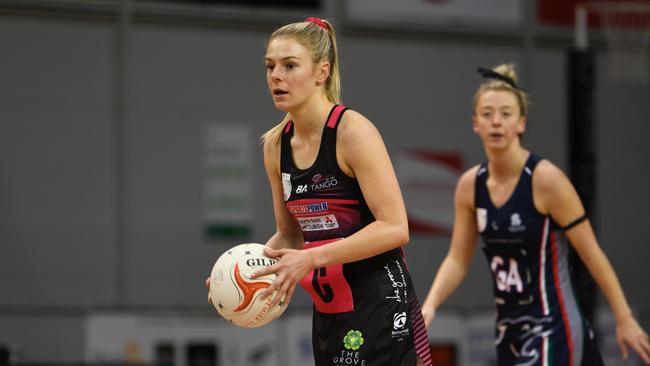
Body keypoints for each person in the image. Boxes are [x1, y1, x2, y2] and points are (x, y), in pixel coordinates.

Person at [206, 17, 432, 366]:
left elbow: (395, 227)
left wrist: (312, 258)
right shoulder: (274, 146)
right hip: (328, 312)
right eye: (270, 66)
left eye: (289, 65)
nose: (275, 76)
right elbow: (290, 235)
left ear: (321, 71)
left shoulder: (352, 132)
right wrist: (239, 274)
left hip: (381, 303)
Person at [420, 63, 650, 365]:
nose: (496, 122)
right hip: (509, 330)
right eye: (487, 114)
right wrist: (429, 306)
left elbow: (591, 253)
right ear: (475, 123)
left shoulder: (546, 180)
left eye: (506, 114)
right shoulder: (469, 186)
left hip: (554, 324)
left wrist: (624, 317)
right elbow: (457, 259)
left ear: (521, 123)